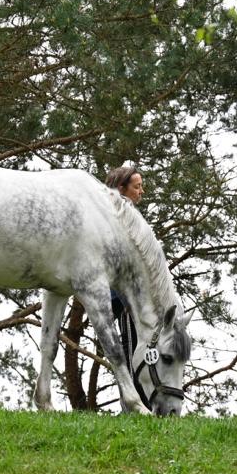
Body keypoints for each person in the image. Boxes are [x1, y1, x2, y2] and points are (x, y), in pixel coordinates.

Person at [104, 164, 143, 384]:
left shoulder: (127, 214)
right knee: (131, 345)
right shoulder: (115, 216)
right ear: (121, 188)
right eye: (137, 187)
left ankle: (144, 401)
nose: (141, 191)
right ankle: (133, 401)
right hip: (124, 297)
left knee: (140, 344)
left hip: (133, 295)